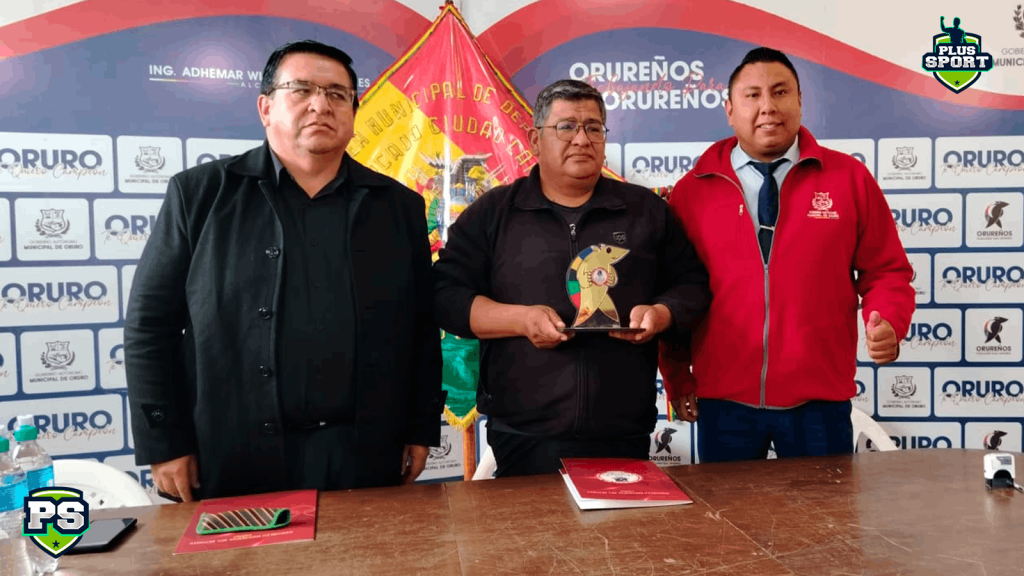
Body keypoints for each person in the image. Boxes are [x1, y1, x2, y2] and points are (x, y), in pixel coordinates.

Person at [125, 40, 444, 501]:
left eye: (338, 94)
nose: (321, 104)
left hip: (362, 451)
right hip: (233, 451)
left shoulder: (399, 207)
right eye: (301, 90)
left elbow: (419, 329)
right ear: (265, 107)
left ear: (353, 113)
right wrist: (164, 441)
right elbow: (148, 328)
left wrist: (419, 428)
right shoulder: (200, 196)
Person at [432, 79, 709, 477]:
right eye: (566, 126)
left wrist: (662, 314)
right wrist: (521, 321)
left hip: (623, 431)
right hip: (522, 432)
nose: (582, 139)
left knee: (623, 540)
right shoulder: (493, 214)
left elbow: (691, 286)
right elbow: (445, 295)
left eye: (594, 127)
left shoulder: (646, 211)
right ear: (534, 138)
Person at [659, 47, 915, 462]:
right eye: (753, 95)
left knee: (821, 526)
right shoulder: (692, 190)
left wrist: (888, 318)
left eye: (780, 93)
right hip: (724, 404)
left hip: (819, 401)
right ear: (729, 109)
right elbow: (674, 292)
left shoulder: (848, 179)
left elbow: (887, 271)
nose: (768, 107)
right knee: (729, 525)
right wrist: (677, 377)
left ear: (799, 101)